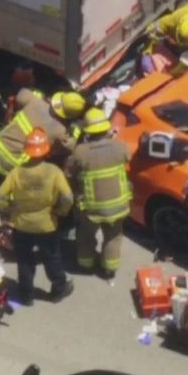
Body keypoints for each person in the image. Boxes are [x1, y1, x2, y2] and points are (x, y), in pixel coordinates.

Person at [0, 128, 75, 306]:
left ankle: (26, 295)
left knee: (24, 260)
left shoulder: (17, 172)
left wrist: (8, 210)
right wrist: (61, 211)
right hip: (47, 225)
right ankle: (58, 290)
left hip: (22, 224)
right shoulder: (53, 171)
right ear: (46, 150)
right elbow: (68, 197)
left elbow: (0, 195)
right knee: (51, 258)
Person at [66, 108, 132, 280]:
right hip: (117, 206)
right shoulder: (120, 147)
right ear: (107, 129)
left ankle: (86, 265)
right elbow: (128, 157)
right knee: (113, 237)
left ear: (87, 131)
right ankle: (109, 269)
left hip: (90, 209)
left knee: (85, 236)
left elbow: (69, 173)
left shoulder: (80, 152)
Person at [0, 88, 81, 189]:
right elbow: (70, 147)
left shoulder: (35, 102)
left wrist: (38, 96)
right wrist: (76, 132)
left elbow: (21, 94)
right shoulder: (60, 132)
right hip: (8, 168)